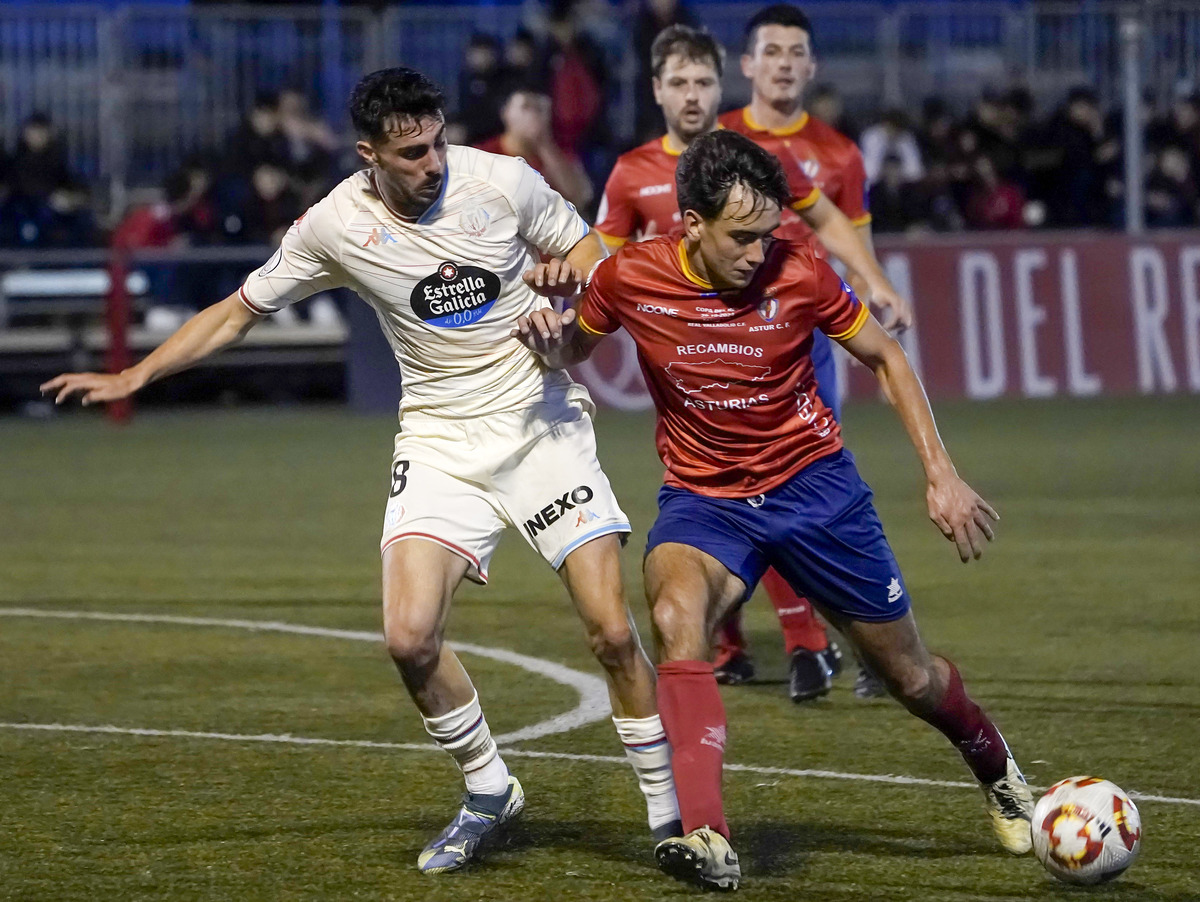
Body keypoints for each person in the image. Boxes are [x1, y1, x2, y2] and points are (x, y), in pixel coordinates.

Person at [41, 67, 680, 875]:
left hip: (539, 423)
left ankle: (668, 819)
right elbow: (239, 311)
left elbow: (591, 251)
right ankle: (490, 789)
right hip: (440, 441)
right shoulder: (334, 225)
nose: (433, 163)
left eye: (438, 141)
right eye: (411, 152)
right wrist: (135, 375)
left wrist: (570, 278)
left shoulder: (503, 182)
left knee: (613, 631)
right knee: (409, 639)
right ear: (368, 154)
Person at [513, 130, 1035, 891]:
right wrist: (548, 338)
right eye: (741, 237)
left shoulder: (802, 272)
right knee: (674, 614)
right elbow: (575, 350)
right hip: (706, 502)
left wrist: (941, 476)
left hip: (817, 492)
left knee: (912, 679)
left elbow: (886, 356)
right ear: (690, 222)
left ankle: (997, 766)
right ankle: (709, 835)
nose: (758, 253)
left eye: (766, 235)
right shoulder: (630, 277)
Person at [717, 4, 915, 699]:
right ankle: (750, 642)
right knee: (746, 490)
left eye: (796, 52)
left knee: (807, 488)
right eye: (771, 50)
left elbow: (845, 236)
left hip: (806, 341)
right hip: (724, 339)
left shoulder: (838, 154)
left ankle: (857, 640)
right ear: (746, 64)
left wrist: (878, 287)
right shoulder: (718, 139)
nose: (783, 63)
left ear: (812, 65)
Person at [476, 86, 594, 210]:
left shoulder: (559, 153)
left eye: (540, 109)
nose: (534, 115)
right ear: (506, 113)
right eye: (526, 107)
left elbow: (581, 197)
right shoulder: (484, 155)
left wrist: (544, 146)